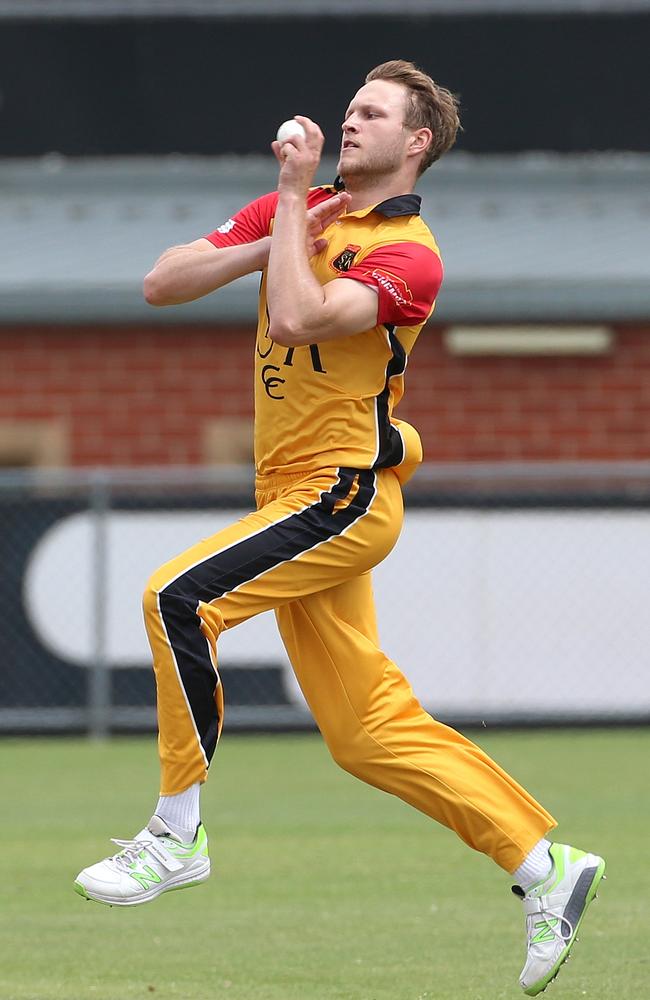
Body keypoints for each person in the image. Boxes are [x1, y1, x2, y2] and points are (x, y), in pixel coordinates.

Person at [74, 60, 605, 997]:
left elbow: (296, 317)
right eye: (350, 108)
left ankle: (176, 833)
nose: (348, 122)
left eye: (373, 114)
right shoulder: (304, 212)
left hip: (342, 495)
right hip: (289, 490)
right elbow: (162, 282)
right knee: (364, 733)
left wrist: (286, 205)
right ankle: (544, 869)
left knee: (176, 597)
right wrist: (282, 220)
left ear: (416, 144)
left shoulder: (411, 255)